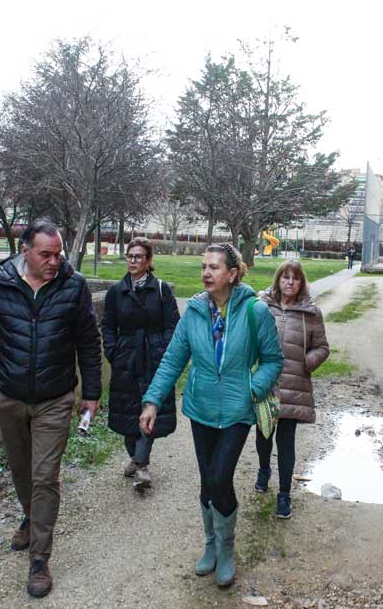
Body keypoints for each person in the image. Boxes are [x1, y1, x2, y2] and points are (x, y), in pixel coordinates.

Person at [139, 244, 283, 588]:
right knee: (207, 480)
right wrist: (152, 401)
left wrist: (252, 388)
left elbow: (274, 360)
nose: (206, 273)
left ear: (232, 274)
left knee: (220, 478)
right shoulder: (194, 312)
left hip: (236, 411)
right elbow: (173, 359)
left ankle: (227, 550)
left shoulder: (254, 311)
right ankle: (210, 545)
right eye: (204, 266)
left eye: (214, 267)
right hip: (201, 409)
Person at [0, 219, 102, 599]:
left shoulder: (73, 286)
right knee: (22, 468)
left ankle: (40, 559)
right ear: (24, 250)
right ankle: (31, 518)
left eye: (58, 253)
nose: (54, 261)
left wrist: (90, 393)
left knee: (45, 475)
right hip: (8, 396)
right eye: (46, 254)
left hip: (55, 398)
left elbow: (88, 343)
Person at [102, 237, 180, 489]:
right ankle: (136, 459)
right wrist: (113, 351)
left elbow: (172, 324)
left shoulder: (160, 289)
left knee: (150, 407)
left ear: (148, 261)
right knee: (127, 413)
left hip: (153, 356)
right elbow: (108, 325)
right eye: (130, 256)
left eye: (139, 257)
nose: (133, 261)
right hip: (126, 357)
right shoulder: (116, 291)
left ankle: (142, 466)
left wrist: (163, 349)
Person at [254, 260, 330, 518]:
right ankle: (264, 470)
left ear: (301, 283)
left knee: (286, 441)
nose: (289, 282)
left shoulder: (311, 313)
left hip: (294, 384)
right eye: (285, 277)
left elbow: (322, 347)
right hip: (266, 383)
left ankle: (284, 494)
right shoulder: (262, 306)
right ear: (278, 280)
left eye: (295, 278)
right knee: (264, 434)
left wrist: (307, 362)